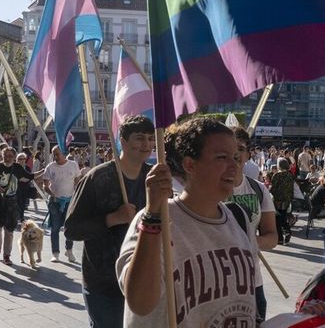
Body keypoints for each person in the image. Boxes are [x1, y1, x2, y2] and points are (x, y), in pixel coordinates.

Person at [117, 117, 257, 327]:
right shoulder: (158, 219)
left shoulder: (239, 218)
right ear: (190, 164)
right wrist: (153, 216)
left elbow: (243, 305)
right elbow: (140, 303)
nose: (234, 166)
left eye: (236, 158)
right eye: (222, 157)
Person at [64, 116, 155, 328]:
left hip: (143, 279)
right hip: (104, 282)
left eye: (151, 139)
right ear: (122, 141)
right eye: (140, 138)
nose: (147, 145)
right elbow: (72, 229)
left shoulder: (154, 179)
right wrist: (112, 219)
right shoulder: (97, 178)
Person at [227, 127, 278, 323]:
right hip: (219, 283)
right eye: (229, 148)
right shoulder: (209, 188)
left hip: (252, 280)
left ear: (248, 154)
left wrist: (252, 241)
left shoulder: (259, 189)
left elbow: (272, 237)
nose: (235, 153)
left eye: (240, 148)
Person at [0, 147, 43, 265]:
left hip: (11, 202)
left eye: (10, 156)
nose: (7, 157)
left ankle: (7, 255)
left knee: (9, 230)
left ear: (14, 157)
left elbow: (30, 176)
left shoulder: (17, 167)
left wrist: (45, 170)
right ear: (2, 155)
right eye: (5, 155)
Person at [43, 146, 81, 263]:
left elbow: (78, 182)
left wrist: (77, 196)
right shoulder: (50, 167)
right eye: (53, 154)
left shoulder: (73, 165)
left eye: (57, 154)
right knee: (55, 228)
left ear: (64, 154)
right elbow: (45, 184)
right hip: (55, 202)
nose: (55, 157)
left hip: (69, 201)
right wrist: (51, 193)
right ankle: (55, 253)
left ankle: (69, 250)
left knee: (69, 227)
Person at [269, 157, 295, 245]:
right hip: (287, 200)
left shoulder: (276, 175)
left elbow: (272, 189)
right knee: (283, 217)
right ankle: (287, 232)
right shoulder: (290, 175)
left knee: (277, 219)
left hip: (278, 200)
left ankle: (280, 238)